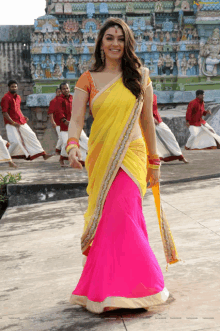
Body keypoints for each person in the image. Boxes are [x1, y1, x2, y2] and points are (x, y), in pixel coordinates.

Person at [66, 18, 177, 314]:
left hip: (133, 156)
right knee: (110, 221)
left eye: (121, 39)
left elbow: (147, 123)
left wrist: (155, 163)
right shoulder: (87, 79)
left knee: (124, 215)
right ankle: (108, 289)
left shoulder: (140, 76)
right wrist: (73, 145)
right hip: (103, 158)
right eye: (109, 38)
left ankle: (140, 288)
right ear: (101, 43)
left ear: (127, 44)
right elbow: (76, 120)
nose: (115, 43)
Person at [1, 80, 52, 161]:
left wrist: (23, 116)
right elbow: (4, 113)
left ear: (17, 87)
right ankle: (4, 157)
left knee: (32, 135)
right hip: (10, 123)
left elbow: (18, 109)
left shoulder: (18, 97)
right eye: (12, 87)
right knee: (15, 142)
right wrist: (13, 123)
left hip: (21, 121)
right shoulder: (6, 98)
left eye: (15, 86)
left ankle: (43, 154)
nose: (14, 88)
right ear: (9, 88)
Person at [55, 82, 88, 167]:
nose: (66, 90)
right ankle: (62, 158)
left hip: (75, 125)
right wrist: (65, 121)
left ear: (69, 89)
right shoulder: (59, 100)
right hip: (65, 127)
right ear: (61, 90)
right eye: (64, 89)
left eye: (67, 88)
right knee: (67, 143)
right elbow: (59, 112)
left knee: (85, 140)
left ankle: (82, 159)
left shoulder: (73, 98)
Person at [153, 94, 188, 163]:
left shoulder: (153, 95)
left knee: (169, 135)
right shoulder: (141, 95)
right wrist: (151, 117)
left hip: (158, 120)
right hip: (148, 121)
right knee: (155, 141)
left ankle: (179, 155)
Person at [48, 88, 62, 155]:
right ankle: (57, 150)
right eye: (58, 92)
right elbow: (51, 113)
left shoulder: (65, 100)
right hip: (58, 122)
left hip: (66, 122)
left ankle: (59, 151)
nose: (60, 93)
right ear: (56, 93)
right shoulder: (53, 101)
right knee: (61, 137)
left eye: (61, 92)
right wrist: (53, 122)